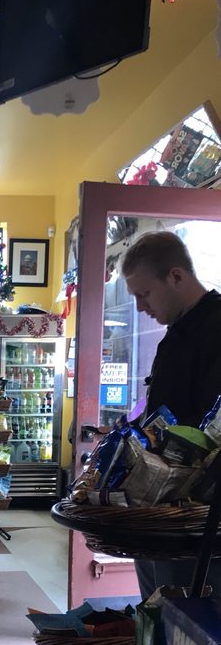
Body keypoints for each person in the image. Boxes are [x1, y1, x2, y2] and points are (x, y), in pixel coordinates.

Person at [121, 230, 221, 598]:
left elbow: (211, 432)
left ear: (175, 276)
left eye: (144, 294)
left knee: (186, 621)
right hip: (162, 510)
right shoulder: (176, 332)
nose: (140, 308)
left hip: (197, 519)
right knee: (154, 613)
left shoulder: (216, 328)